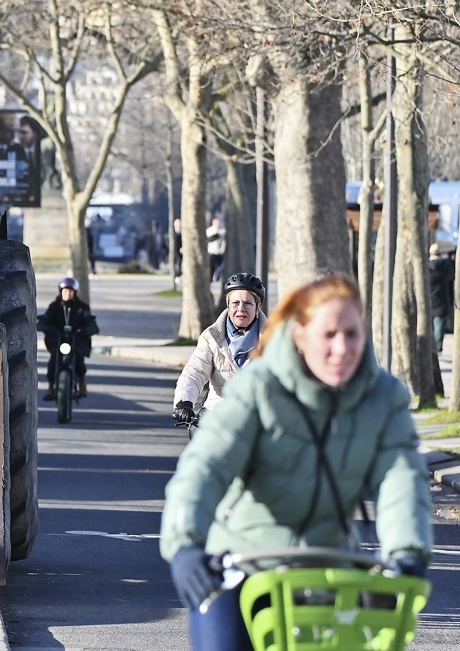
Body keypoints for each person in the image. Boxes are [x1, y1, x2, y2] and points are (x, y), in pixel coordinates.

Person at [160, 274, 432, 651]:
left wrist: (409, 553)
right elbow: (205, 467)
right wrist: (185, 544)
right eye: (328, 335)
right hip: (242, 564)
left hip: (329, 564)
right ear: (301, 336)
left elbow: (403, 481)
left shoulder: (382, 398)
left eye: (352, 334)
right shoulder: (258, 388)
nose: (341, 348)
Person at [172, 273, 267, 425]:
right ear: (227, 305)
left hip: (258, 422)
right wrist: (184, 402)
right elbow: (194, 372)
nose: (241, 309)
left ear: (258, 306)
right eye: (235, 303)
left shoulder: (274, 340)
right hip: (217, 419)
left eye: (248, 303)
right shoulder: (211, 337)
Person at [38, 277, 99, 400]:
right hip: (58, 340)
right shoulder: (54, 306)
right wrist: (44, 326)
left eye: (70, 291)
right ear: (60, 291)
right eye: (65, 291)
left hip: (76, 339)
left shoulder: (82, 307)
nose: (67, 294)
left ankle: (81, 383)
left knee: (79, 358)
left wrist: (87, 330)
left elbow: (90, 322)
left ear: (75, 293)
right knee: (54, 359)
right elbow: (45, 319)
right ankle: (50, 387)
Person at [427, 242, 456, 353]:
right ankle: (437, 349)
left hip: (428, 301)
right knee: (439, 329)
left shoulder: (425, 267)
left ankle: (431, 349)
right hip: (442, 301)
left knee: (430, 328)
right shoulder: (446, 267)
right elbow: (451, 275)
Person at [206, 216, 226, 281]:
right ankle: (211, 278)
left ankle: (217, 276)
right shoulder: (209, 230)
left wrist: (223, 248)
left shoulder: (222, 231)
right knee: (212, 266)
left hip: (219, 252)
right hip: (211, 251)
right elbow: (208, 240)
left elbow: (223, 241)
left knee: (220, 266)